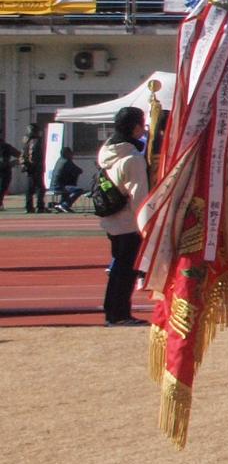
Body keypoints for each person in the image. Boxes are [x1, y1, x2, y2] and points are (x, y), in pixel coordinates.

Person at [97, 107, 150, 326]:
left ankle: (112, 311)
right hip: (129, 221)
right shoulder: (132, 158)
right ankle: (119, 314)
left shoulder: (106, 151)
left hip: (111, 218)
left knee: (118, 266)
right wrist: (145, 226)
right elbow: (139, 197)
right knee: (126, 270)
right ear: (135, 127)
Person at [23, 122, 47, 214]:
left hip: (29, 168)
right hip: (35, 168)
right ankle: (39, 206)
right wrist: (36, 166)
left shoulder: (26, 141)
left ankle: (29, 207)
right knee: (40, 188)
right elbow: (34, 155)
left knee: (30, 188)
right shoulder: (35, 142)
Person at [0, 132, 18, 208]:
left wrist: (13, 163)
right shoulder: (6, 146)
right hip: (5, 170)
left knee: (2, 187)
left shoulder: (6, 146)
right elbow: (19, 154)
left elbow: (19, 154)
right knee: (2, 187)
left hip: (5, 170)